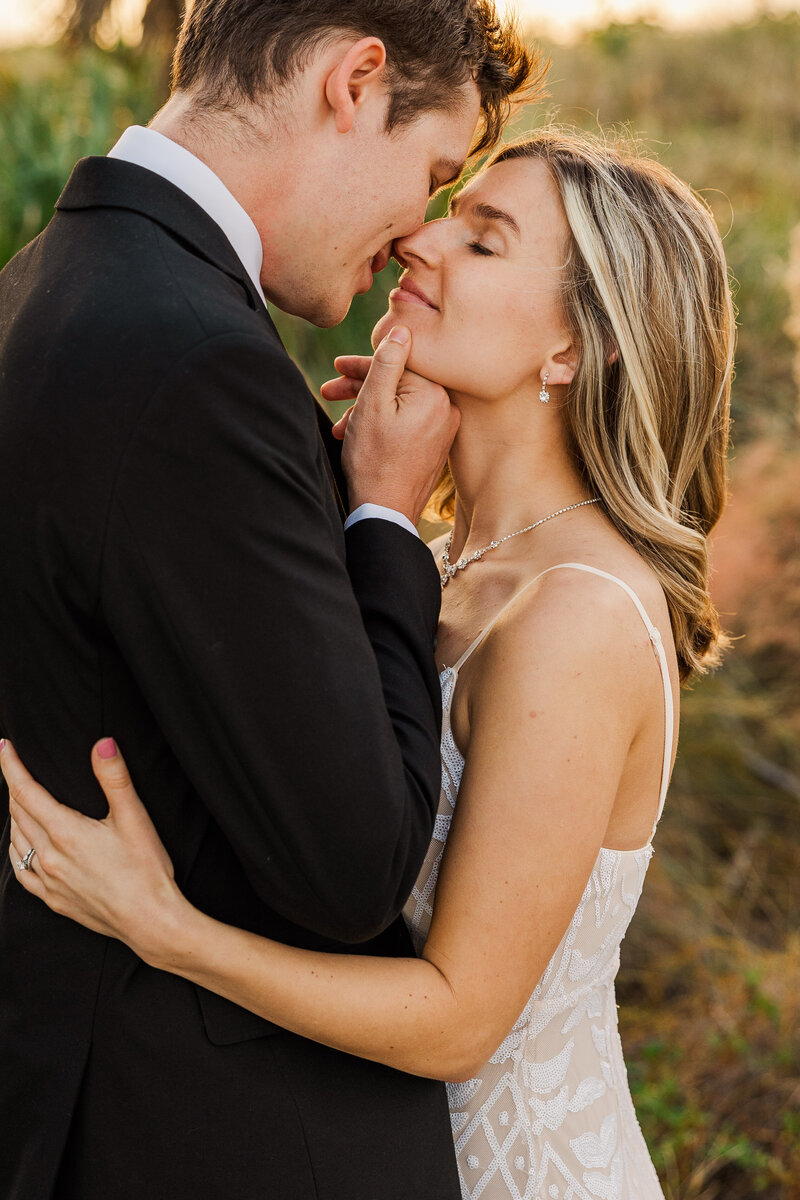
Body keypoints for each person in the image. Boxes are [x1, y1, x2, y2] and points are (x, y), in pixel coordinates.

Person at [4, 128, 735, 1200]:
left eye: (482, 242)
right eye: (447, 211)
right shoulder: (427, 565)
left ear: (574, 345)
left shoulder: (574, 616)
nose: (419, 242)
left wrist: (169, 931)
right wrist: (363, 507)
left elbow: (457, 1022)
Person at [0, 3, 541, 1198]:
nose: (416, 235)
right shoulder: (196, 357)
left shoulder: (43, 284)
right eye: (435, 173)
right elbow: (350, 867)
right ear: (354, 81)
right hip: (214, 1136)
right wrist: (382, 516)